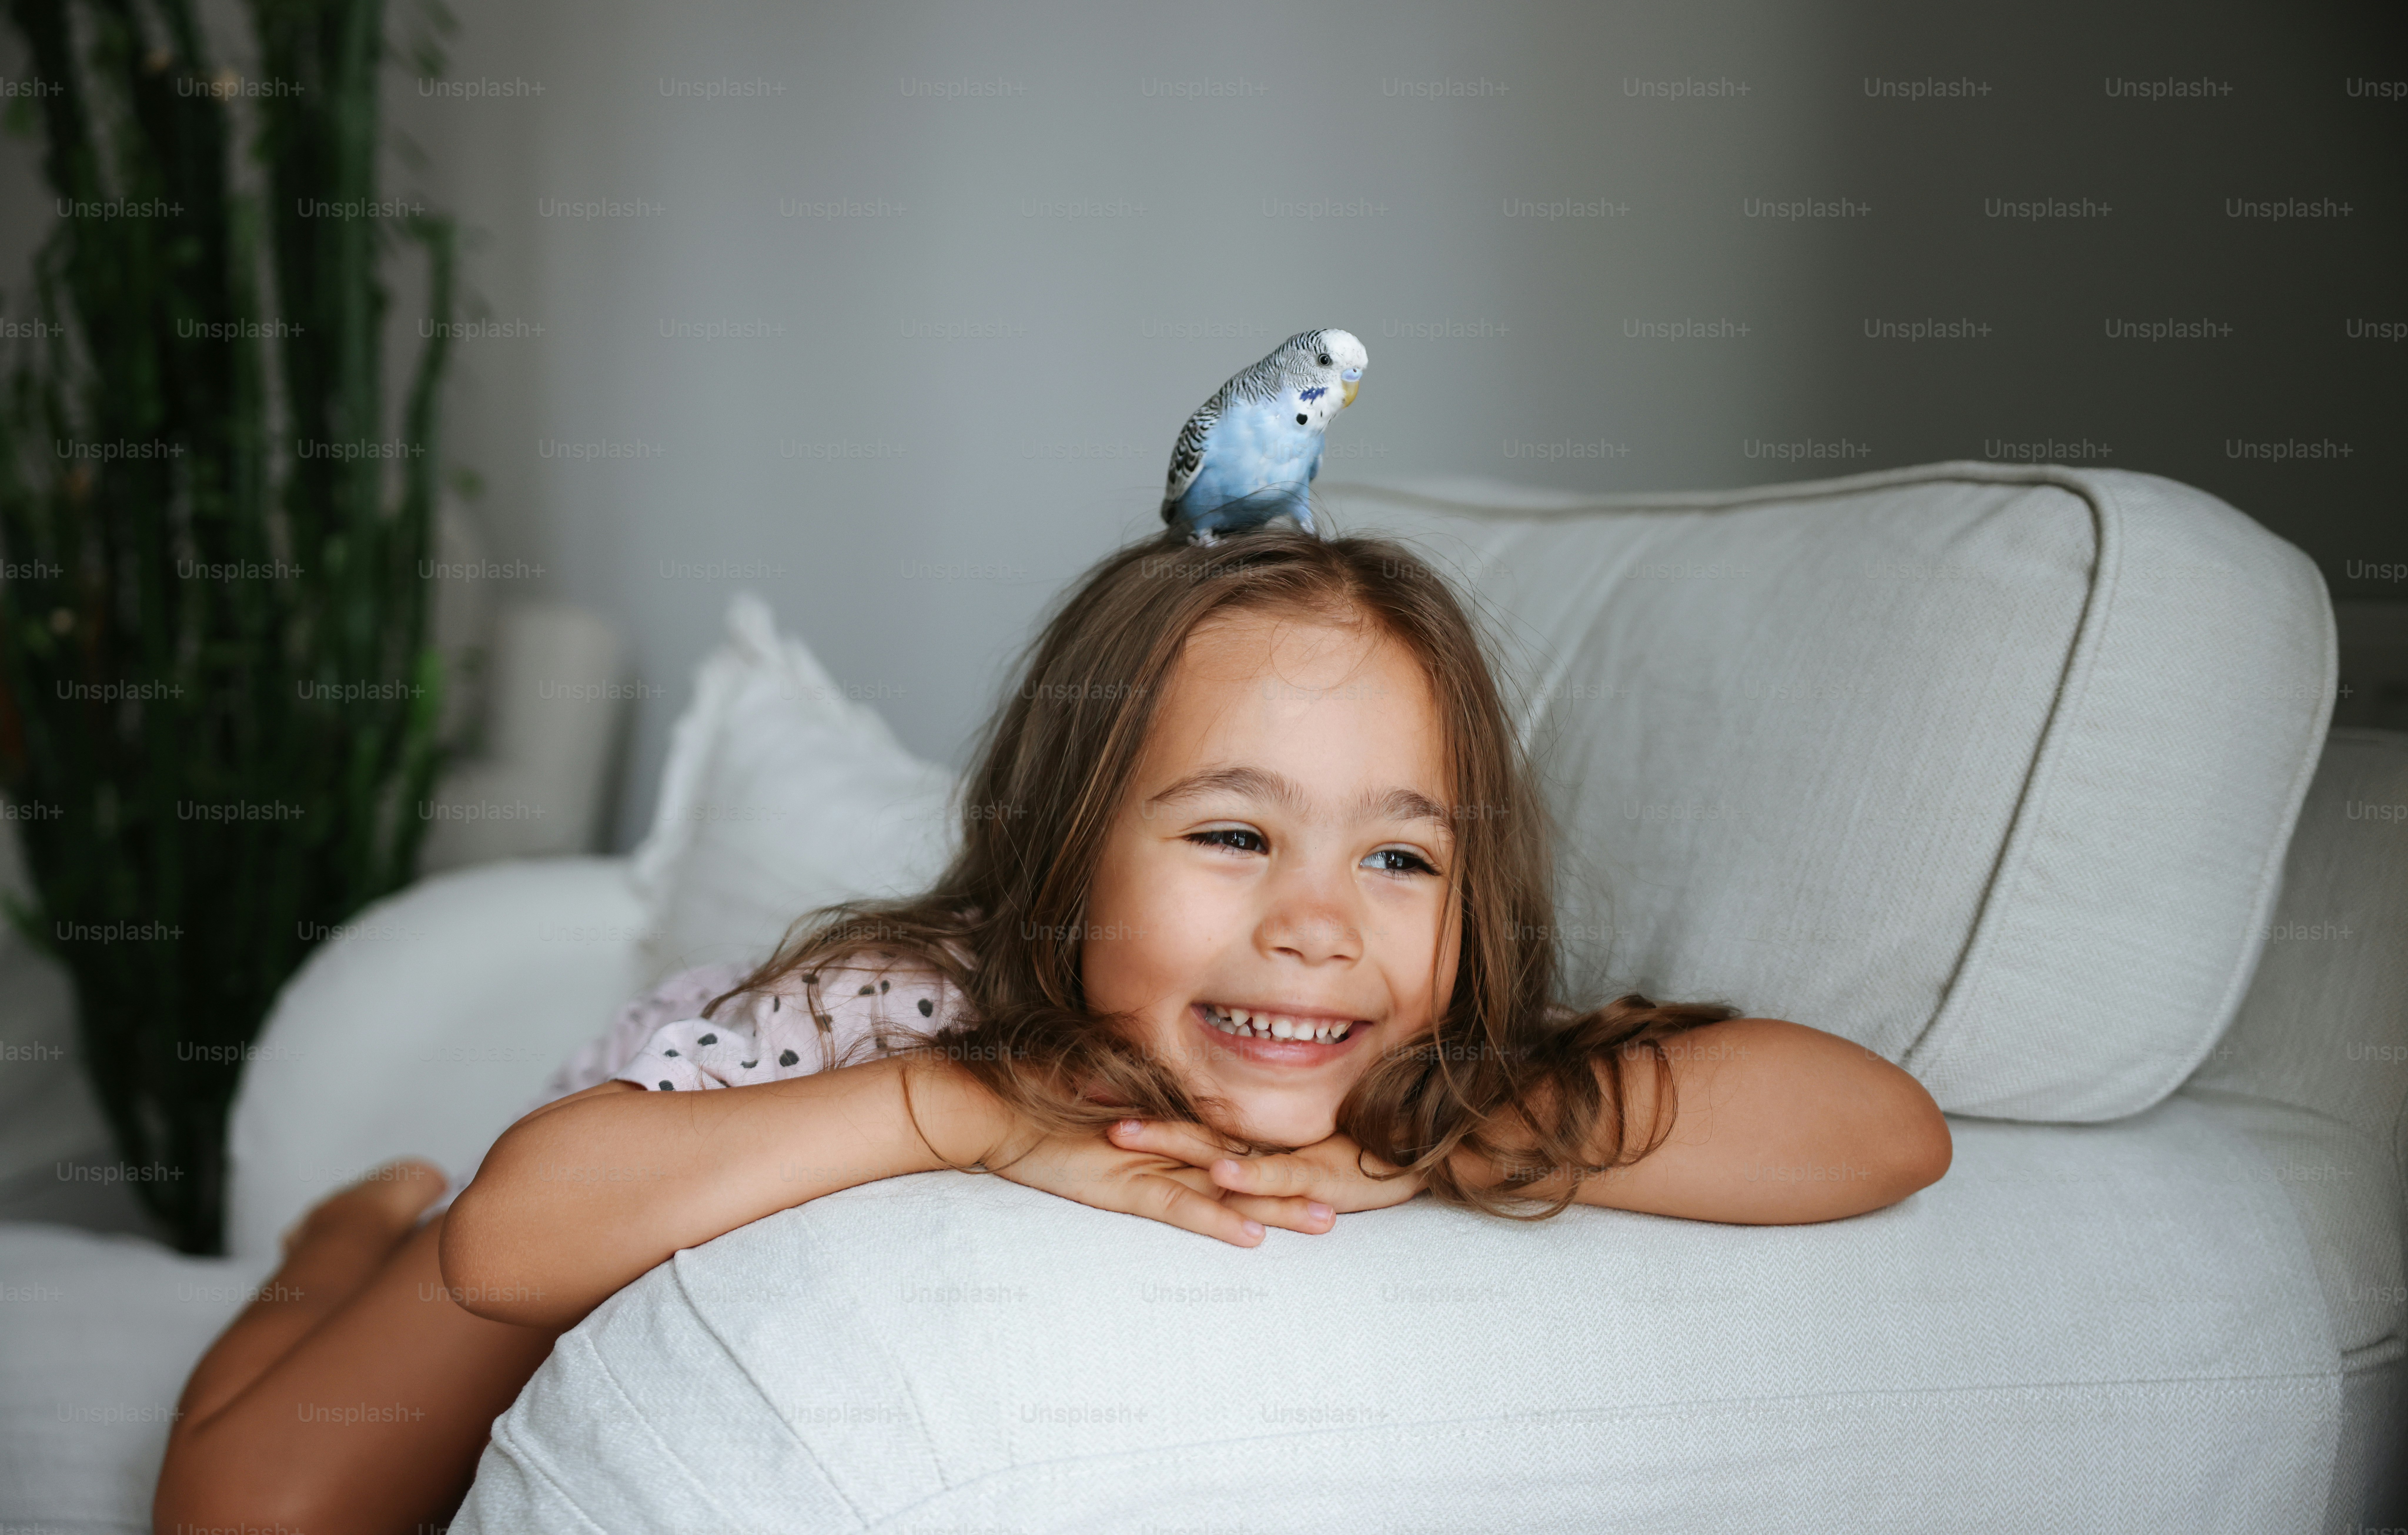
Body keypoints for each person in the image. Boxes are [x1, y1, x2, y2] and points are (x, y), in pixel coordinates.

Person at [154, 527, 1952, 1535]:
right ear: (1065, 857)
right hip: (491, 1277)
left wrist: (1453, 1127)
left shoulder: (1392, 1048)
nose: (1320, 918)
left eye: (1400, 852)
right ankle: (325, 1246)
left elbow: (1881, 1129)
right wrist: (964, 1113)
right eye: (1234, 832)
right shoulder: (902, 1005)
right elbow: (522, 1231)